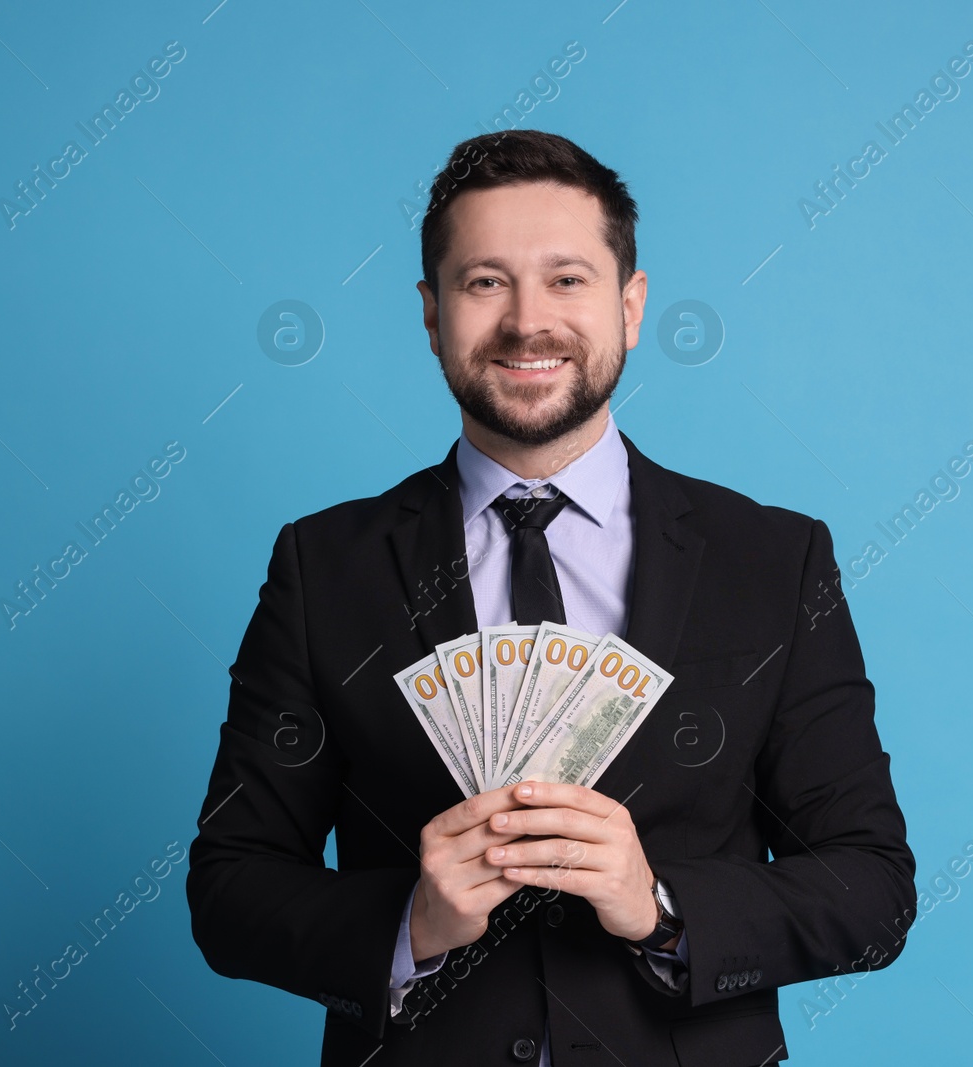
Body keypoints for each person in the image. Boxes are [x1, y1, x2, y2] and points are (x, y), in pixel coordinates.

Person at [186, 129, 915, 1067]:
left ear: (632, 304)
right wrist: (412, 920)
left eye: (567, 279)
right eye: (485, 281)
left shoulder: (774, 560)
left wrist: (658, 905)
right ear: (430, 310)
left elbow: (873, 887)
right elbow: (232, 888)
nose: (528, 322)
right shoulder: (323, 567)